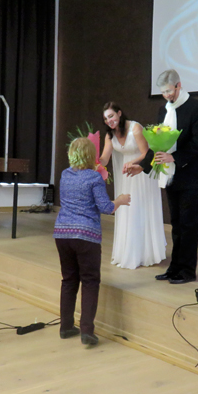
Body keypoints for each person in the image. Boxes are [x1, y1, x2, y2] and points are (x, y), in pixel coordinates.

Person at [126, 69, 198, 284]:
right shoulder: (163, 110)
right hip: (170, 176)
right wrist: (142, 166)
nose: (166, 96)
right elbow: (157, 145)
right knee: (176, 224)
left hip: (190, 175)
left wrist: (175, 158)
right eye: (163, 92)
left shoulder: (197, 108)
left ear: (179, 85)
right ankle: (174, 268)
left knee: (188, 225)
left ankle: (187, 271)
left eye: (169, 91)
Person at [54, 137, 130, 346]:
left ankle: (66, 327)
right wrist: (121, 200)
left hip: (62, 234)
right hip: (86, 236)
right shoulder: (94, 178)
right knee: (89, 281)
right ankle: (87, 330)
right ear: (91, 156)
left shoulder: (65, 174)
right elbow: (106, 207)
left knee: (69, 280)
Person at [100, 102, 166, 270]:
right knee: (128, 209)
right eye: (106, 119)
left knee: (139, 208)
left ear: (119, 113)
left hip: (141, 173)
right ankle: (129, 251)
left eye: (111, 116)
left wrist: (132, 162)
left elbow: (146, 153)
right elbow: (105, 158)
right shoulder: (110, 135)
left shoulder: (135, 128)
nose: (109, 121)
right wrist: (93, 161)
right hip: (127, 175)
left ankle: (145, 253)